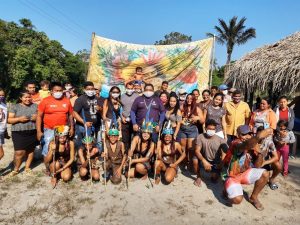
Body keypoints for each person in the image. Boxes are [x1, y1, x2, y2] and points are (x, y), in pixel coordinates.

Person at [222, 125, 272, 210]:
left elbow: (258, 166)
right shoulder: (236, 143)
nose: (247, 136)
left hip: (244, 173)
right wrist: (258, 137)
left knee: (265, 174)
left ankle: (253, 197)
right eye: (244, 134)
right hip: (231, 176)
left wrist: (259, 152)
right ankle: (225, 189)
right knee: (237, 200)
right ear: (238, 135)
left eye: (249, 134)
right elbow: (245, 145)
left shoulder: (253, 144)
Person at [36, 82, 74, 172]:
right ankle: (47, 167)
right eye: (56, 90)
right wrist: (38, 131)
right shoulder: (45, 101)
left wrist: (71, 127)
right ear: (52, 91)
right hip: (49, 128)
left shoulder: (66, 100)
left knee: (62, 147)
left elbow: (70, 115)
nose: (58, 92)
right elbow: (39, 116)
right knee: (48, 147)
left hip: (62, 129)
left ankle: (60, 163)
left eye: (60, 90)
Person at [7, 91, 38, 176]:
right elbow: (9, 120)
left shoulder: (35, 106)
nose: (28, 99)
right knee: (19, 152)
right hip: (18, 132)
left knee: (30, 150)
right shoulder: (15, 106)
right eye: (25, 97)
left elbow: (41, 117)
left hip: (32, 131)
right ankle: (16, 169)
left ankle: (27, 167)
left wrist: (37, 118)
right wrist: (19, 119)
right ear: (21, 98)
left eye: (29, 97)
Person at [193, 119, 228, 187]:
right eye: (209, 128)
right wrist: (204, 161)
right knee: (194, 160)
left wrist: (221, 163)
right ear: (205, 128)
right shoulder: (200, 137)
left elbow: (225, 153)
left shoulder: (220, 139)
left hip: (215, 161)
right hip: (204, 159)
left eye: (213, 129)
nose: (211, 131)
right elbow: (197, 151)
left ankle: (214, 172)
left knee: (214, 178)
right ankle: (198, 176)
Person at [73, 81, 102, 150]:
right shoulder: (80, 99)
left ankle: (91, 157)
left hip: (94, 125)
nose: (90, 91)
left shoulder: (97, 98)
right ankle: (81, 157)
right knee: (81, 143)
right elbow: (74, 113)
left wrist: (100, 109)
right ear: (84, 90)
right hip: (83, 126)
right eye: (88, 89)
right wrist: (84, 122)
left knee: (90, 143)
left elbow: (102, 111)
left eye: (92, 89)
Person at [180, 94, 203, 169]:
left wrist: (198, 118)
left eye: (191, 98)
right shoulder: (182, 107)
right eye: (188, 98)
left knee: (191, 148)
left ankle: (190, 164)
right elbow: (178, 117)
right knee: (183, 147)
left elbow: (202, 121)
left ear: (194, 100)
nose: (189, 100)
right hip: (183, 129)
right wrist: (181, 120)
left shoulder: (197, 109)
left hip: (192, 129)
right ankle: (184, 162)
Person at [120, 82, 139, 153]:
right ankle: (125, 155)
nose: (130, 90)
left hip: (135, 121)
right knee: (125, 140)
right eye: (128, 88)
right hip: (125, 121)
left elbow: (139, 108)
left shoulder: (137, 96)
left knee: (135, 138)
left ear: (133, 88)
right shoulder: (122, 96)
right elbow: (120, 108)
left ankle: (134, 154)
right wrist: (122, 117)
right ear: (125, 88)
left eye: (131, 88)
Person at [0, 88, 7, 162]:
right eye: (0, 95)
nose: (1, 97)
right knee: (1, 154)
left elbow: (4, 120)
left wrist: (5, 131)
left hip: (2, 131)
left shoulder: (4, 105)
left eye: (3, 95)